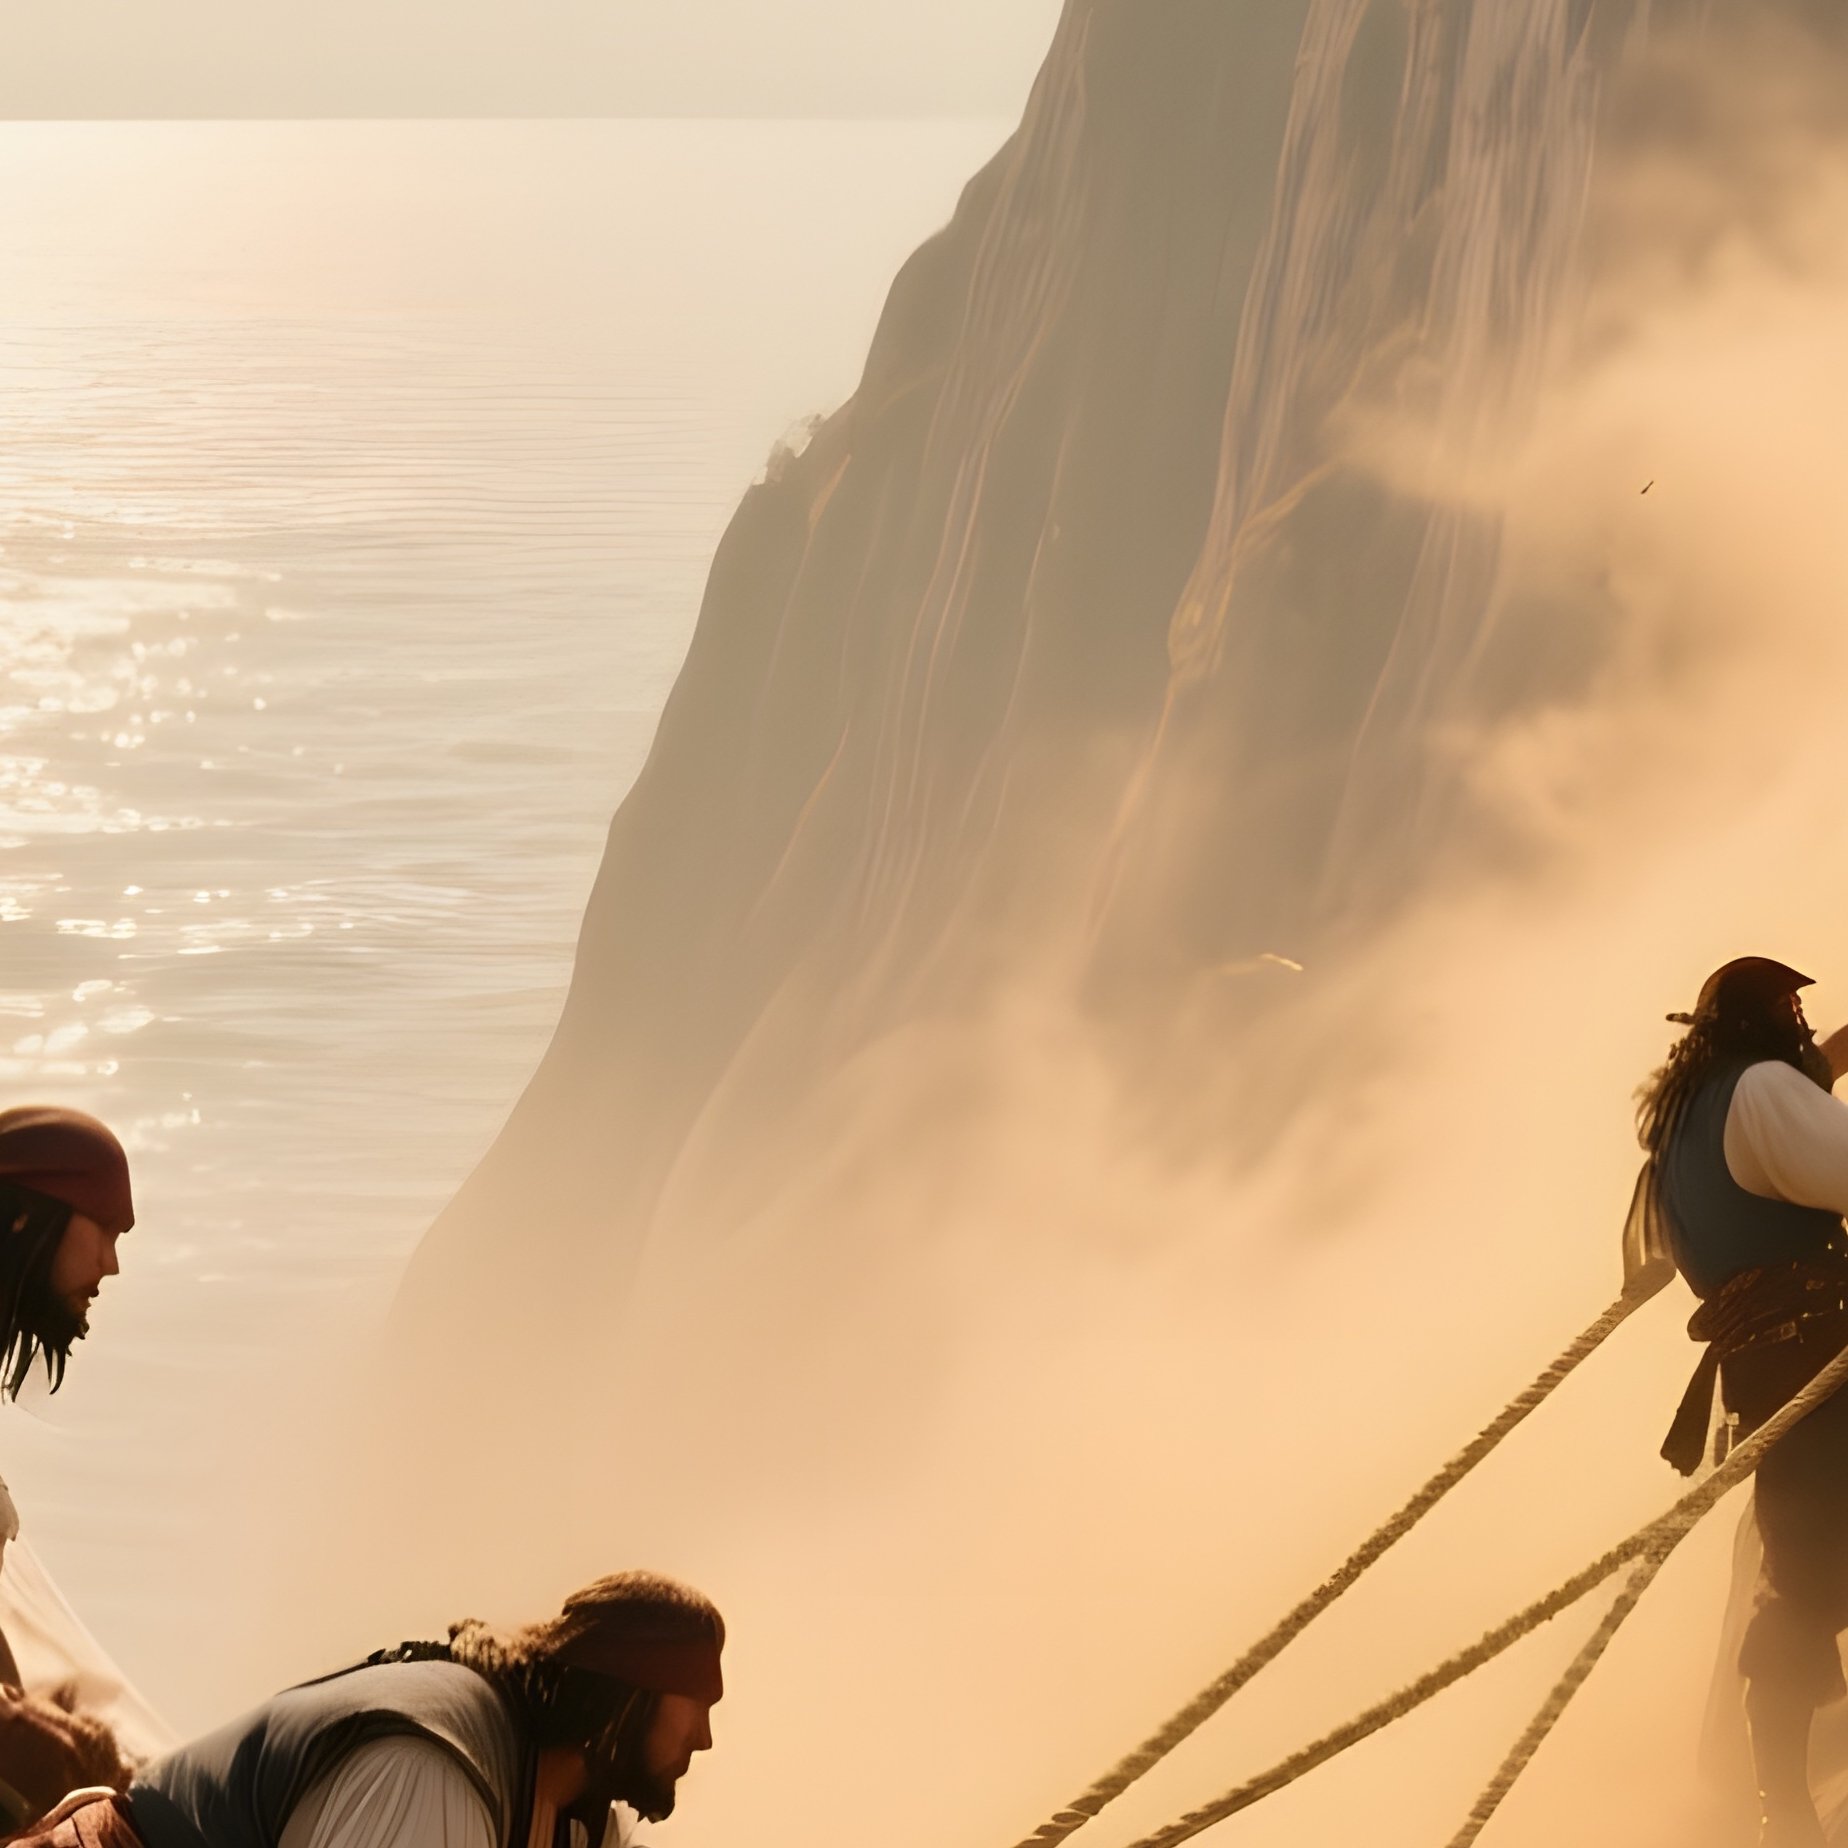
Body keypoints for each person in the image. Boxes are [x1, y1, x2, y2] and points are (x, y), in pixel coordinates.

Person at [14, 1570, 724, 1848]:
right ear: (631, 1696)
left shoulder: (577, 1817)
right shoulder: (431, 1775)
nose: (705, 1738)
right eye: (696, 1703)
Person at [1628, 957, 1848, 1847]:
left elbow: (1767, 1135)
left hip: (1766, 1380)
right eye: (1788, 1007)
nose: (1800, 1021)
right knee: (1808, 1584)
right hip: (1828, 1356)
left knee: (1801, 1581)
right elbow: (1818, 1150)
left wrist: (1834, 1060)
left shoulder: (1676, 1131)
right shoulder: (1761, 1089)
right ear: (1761, 1021)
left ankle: (1780, 1805)